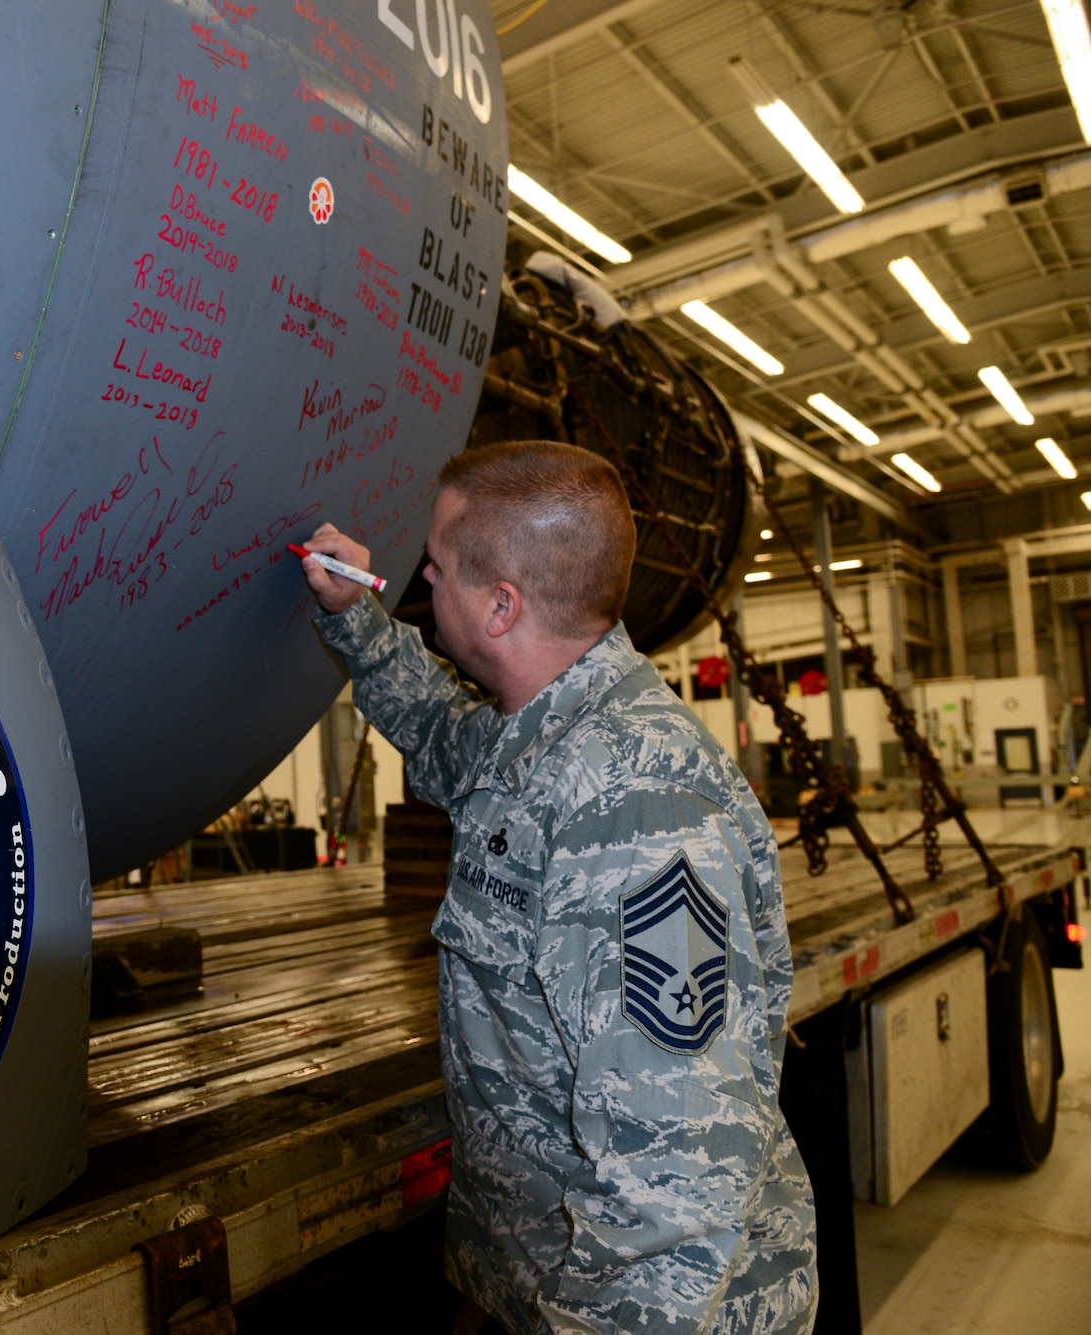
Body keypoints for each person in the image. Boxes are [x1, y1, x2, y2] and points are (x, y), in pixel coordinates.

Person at [299, 441, 816, 1335]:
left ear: (502, 606)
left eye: (439, 564)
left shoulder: (640, 818)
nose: (420, 575)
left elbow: (674, 1195)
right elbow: (434, 725)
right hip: (531, 1281)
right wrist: (354, 617)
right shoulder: (536, 736)